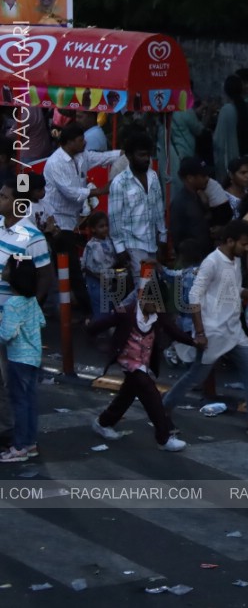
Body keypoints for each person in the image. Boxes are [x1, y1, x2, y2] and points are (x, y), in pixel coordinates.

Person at [161, 220, 248, 436]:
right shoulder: (212, 262)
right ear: (230, 241)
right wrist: (200, 332)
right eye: (244, 244)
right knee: (195, 376)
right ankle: (162, 409)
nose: (247, 249)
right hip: (213, 331)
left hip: (233, 329)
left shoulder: (234, 260)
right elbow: (194, 296)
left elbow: (233, 289)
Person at [87, 280, 200, 452]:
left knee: (128, 393)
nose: (156, 308)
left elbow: (174, 332)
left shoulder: (158, 316)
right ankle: (164, 438)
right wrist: (89, 327)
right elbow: (103, 323)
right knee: (151, 394)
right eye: (153, 303)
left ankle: (103, 422)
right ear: (143, 298)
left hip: (143, 362)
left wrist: (194, 342)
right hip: (127, 360)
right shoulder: (127, 312)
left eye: (159, 305)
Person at [44, 121, 122, 313]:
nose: (84, 143)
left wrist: (124, 153)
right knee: (69, 269)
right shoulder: (56, 162)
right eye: (80, 140)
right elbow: (70, 192)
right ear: (69, 142)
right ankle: (86, 311)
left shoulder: (81, 156)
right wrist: (100, 191)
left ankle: (72, 307)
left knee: (67, 268)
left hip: (72, 219)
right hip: (58, 220)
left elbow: (103, 158)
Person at [0, 176, 51, 456]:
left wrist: (32, 309)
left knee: (19, 386)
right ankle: (15, 435)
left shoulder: (33, 237)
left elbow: (45, 276)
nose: (0, 200)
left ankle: (23, 442)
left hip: (17, 324)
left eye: (5, 197)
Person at [0, 245, 43, 462]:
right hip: (34, 357)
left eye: (7, 267)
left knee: (19, 403)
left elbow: (6, 335)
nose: (3, 270)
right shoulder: (32, 301)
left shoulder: (12, 305)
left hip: (17, 359)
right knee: (30, 401)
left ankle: (19, 447)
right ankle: (30, 444)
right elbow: (41, 321)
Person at [108, 131, 165, 272]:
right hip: (132, 245)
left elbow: (159, 210)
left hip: (152, 243)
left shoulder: (154, 177)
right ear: (129, 156)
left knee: (151, 288)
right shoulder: (119, 182)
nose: (146, 159)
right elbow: (114, 219)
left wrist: (163, 238)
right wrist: (120, 249)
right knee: (144, 289)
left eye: (148, 155)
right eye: (141, 155)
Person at [170, 158, 222, 256]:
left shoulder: (199, 197)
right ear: (190, 178)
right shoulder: (180, 203)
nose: (207, 179)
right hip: (192, 262)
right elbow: (178, 238)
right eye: (203, 176)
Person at [213, 75, 248, 181]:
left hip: (229, 160)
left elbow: (218, 140)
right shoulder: (247, 108)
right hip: (245, 155)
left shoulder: (227, 110)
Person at [80, 211, 120, 316]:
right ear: (93, 229)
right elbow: (86, 267)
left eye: (106, 225)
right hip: (96, 281)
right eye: (101, 226)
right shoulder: (91, 245)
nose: (105, 228)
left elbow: (112, 261)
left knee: (110, 308)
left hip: (109, 280)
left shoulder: (110, 241)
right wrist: (99, 278)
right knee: (100, 310)